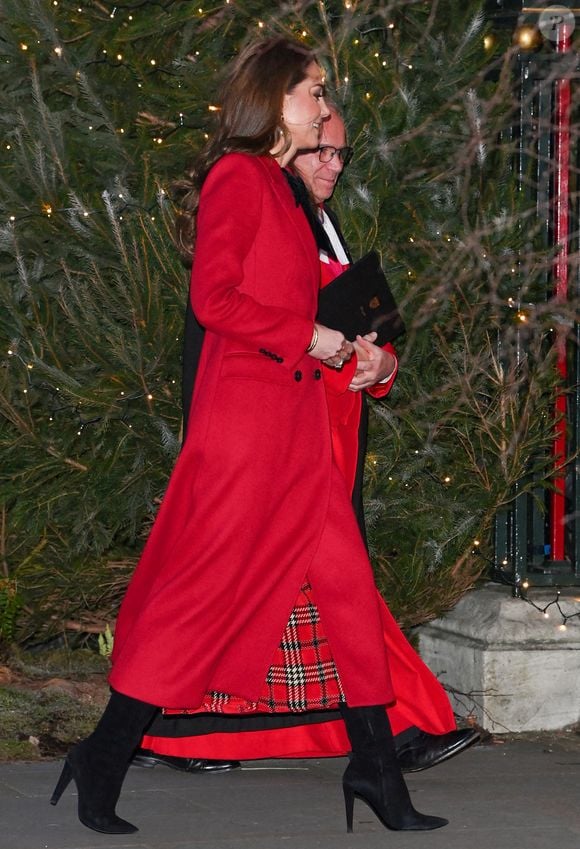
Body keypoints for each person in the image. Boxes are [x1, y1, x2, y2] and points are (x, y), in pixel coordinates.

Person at [50, 37, 447, 835]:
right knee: (195, 600)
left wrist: (371, 359)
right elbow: (214, 299)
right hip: (246, 438)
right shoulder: (239, 177)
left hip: (299, 441)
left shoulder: (295, 198)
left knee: (348, 598)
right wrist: (310, 338)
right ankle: (103, 752)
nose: (323, 103)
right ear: (272, 101)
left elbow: (344, 314)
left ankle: (375, 767)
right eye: (312, 90)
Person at [135, 108, 479, 774]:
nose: (334, 167)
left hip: (326, 443)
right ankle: (399, 734)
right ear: (283, 146)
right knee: (291, 597)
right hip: (275, 446)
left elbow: (358, 335)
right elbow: (229, 327)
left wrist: (385, 369)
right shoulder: (258, 210)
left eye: (343, 155)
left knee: (287, 600)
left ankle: (179, 737)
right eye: (321, 152)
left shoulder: (322, 225)